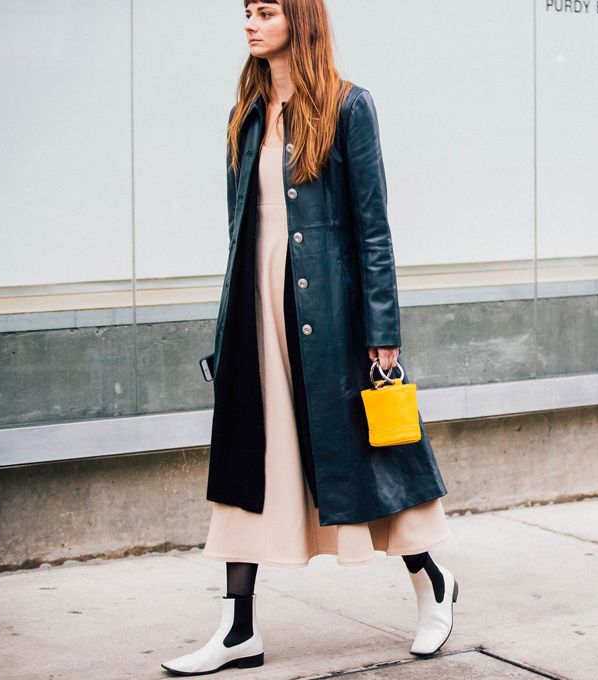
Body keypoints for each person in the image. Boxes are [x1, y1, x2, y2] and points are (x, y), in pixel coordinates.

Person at [162, 1, 458, 674]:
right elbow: (243, 231)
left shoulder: (349, 107)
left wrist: (383, 334)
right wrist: (226, 326)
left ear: (299, 19)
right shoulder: (247, 114)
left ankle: (434, 581)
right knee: (245, 462)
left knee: (368, 461)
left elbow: (373, 229)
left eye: (265, 11)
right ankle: (239, 628)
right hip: (254, 311)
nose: (249, 23)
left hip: (332, 317)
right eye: (246, 11)